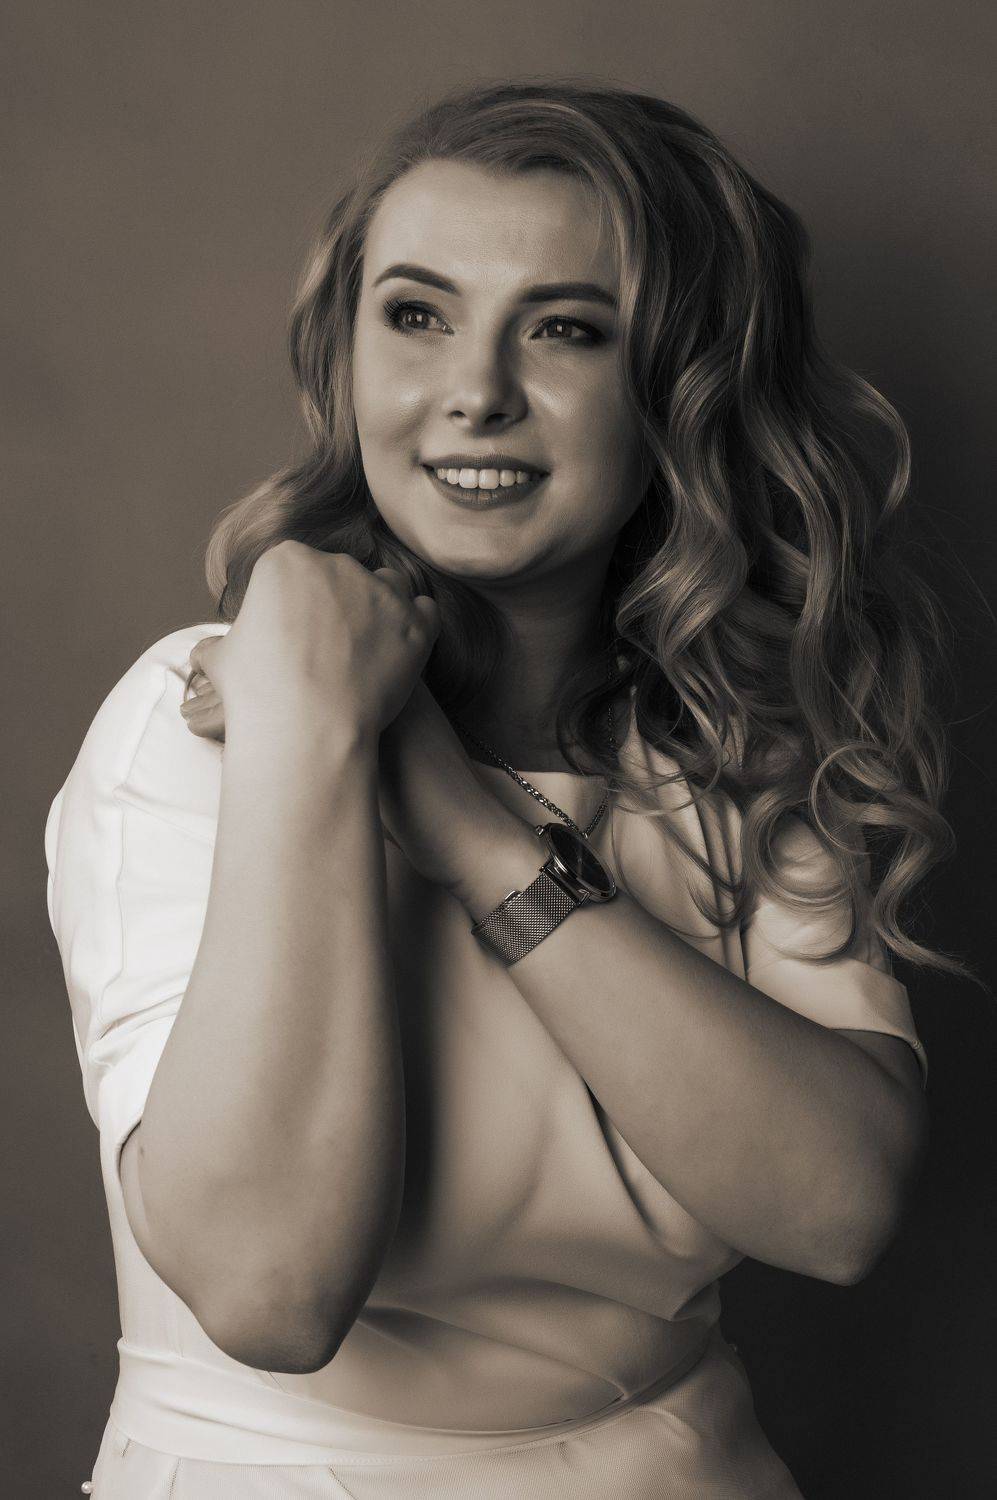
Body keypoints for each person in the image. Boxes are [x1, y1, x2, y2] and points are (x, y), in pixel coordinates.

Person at [46, 78, 959, 1498]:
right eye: (415, 315)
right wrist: (314, 738)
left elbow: (835, 1208)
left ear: (679, 386)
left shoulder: (750, 744)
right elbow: (268, 1290)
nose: (474, 391)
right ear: (346, 354)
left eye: (565, 329)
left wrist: (464, 821)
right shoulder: (203, 722)